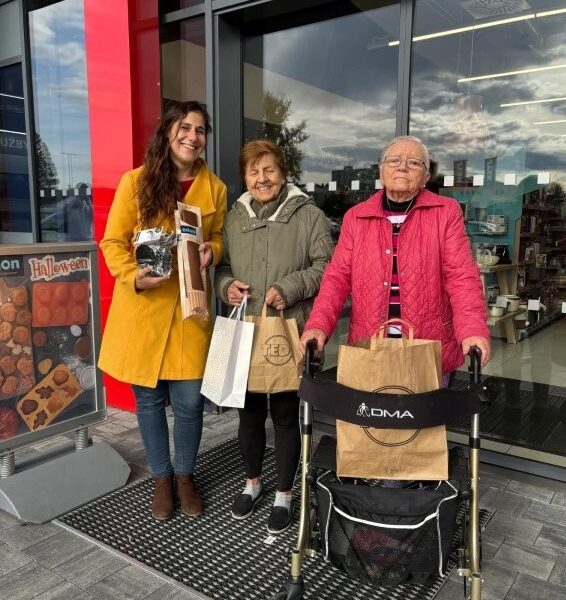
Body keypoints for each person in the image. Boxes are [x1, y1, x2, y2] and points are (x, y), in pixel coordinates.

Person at [98, 100, 227, 521]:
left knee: (190, 404)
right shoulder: (135, 182)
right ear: (168, 132)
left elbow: (220, 238)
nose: (193, 136)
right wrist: (133, 276)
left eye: (200, 130)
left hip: (190, 310)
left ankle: (185, 476)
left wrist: (212, 251)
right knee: (150, 403)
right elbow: (112, 242)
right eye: (184, 127)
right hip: (144, 311)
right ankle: (161, 478)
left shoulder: (216, 189)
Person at [215, 139, 333, 534]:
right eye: (253, 172)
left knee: (285, 416)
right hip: (245, 329)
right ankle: (252, 483)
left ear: (283, 173)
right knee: (247, 415)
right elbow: (222, 267)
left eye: (269, 170)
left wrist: (290, 287)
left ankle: (284, 492)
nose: (261, 178)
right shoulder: (235, 218)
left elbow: (327, 267)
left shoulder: (309, 215)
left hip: (287, 329)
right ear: (245, 177)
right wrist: (226, 286)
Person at [300, 135, 491, 380]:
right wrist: (318, 325)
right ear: (381, 171)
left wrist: (472, 329)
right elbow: (337, 278)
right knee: (369, 405)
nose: (402, 167)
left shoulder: (446, 212)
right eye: (394, 160)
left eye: (414, 162)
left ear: (426, 176)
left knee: (424, 406)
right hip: (370, 344)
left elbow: (461, 276)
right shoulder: (356, 217)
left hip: (427, 347)